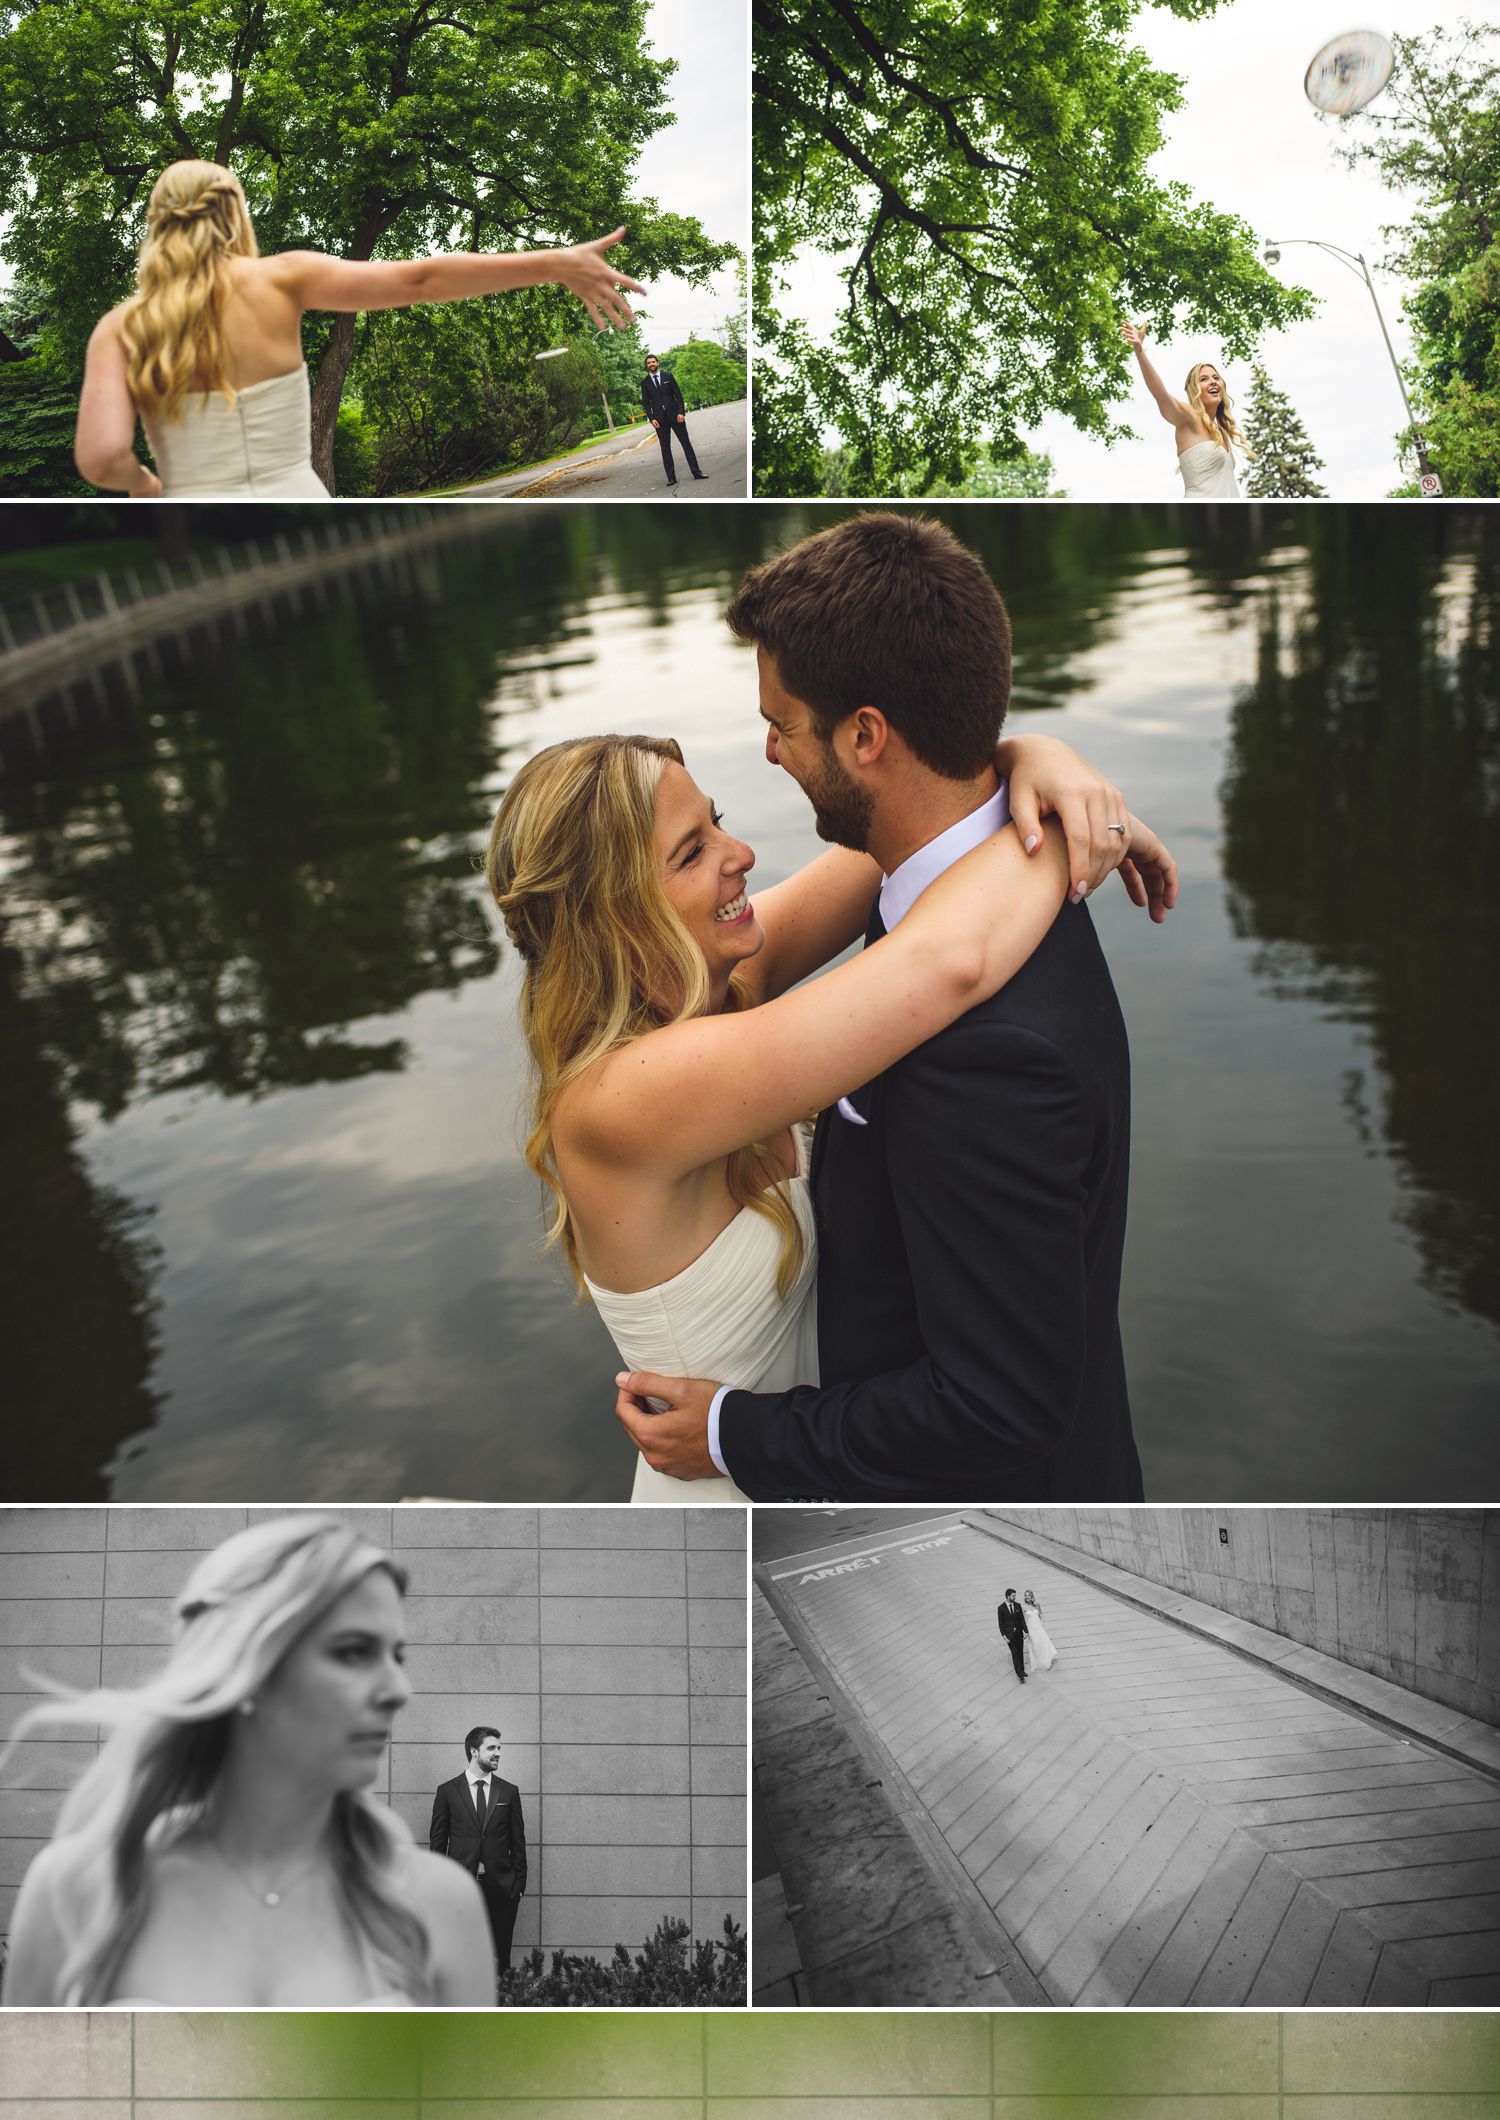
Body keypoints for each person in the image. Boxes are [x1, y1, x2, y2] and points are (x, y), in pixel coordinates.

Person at [611, 514, 1171, 1504]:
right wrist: (1028, 762)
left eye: (780, 723)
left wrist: (741, 1435)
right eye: (695, 847)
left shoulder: (990, 1043)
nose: (772, 753)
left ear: (867, 734)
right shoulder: (945, 887)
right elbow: (939, 945)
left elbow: (996, 1408)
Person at [0, 1514, 495, 2006]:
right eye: (353, 1652)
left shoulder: (440, 1905)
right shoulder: (75, 1891)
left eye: (397, 1656)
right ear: (249, 1671)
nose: (398, 1691)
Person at [73, 159, 644, 499]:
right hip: (299, 504)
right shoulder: (283, 278)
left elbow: (100, 459)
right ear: (235, 213)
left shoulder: (120, 329)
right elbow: (421, 280)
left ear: (158, 221)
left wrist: (145, 485)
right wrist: (553, 261)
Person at [429, 1725, 528, 1973]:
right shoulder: (447, 1791)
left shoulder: (509, 1791)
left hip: (502, 1890)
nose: (498, 1753)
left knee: (499, 1959)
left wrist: (518, 1888)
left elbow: (518, 1842)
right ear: (474, 1751)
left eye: (499, 1748)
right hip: (460, 1890)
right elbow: (438, 1844)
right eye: (492, 1748)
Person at [1120, 326, 1245, 498]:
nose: (1213, 382)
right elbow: (1161, 396)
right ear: (1195, 389)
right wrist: (1140, 352)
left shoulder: (1222, 432)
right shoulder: (1189, 418)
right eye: (1204, 379)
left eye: (1216, 378)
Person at [641, 354, 706, 484]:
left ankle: (697, 472)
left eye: (653, 362)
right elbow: (646, 403)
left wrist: (681, 412)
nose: (651, 364)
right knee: (665, 449)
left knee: (686, 445)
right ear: (647, 365)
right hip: (659, 421)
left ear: (658, 363)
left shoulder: (668, 376)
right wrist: (651, 418)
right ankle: (671, 478)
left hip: (676, 417)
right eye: (649, 363)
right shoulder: (645, 383)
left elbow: (678, 395)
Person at [997, 1590, 1029, 1685]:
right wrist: (1004, 1636)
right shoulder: (1001, 1608)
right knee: (1014, 1653)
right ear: (1007, 1596)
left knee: (1020, 1653)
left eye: (1015, 1596)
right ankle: (1020, 1674)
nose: (1015, 1597)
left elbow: (1022, 1620)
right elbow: (1001, 1624)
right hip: (1009, 1636)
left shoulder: (1018, 1606)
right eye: (1013, 1596)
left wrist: (1026, 1631)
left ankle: (1022, 1670)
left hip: (1019, 1634)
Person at [1021, 1590, 1057, 1671]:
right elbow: (1022, 1620)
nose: (1027, 1597)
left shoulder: (1037, 1605)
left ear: (1032, 1596)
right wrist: (1025, 1631)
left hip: (1039, 1628)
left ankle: (1046, 1662)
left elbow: (1040, 1615)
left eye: (1028, 1595)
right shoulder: (1023, 1607)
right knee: (1035, 1646)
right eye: (1025, 1595)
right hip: (1031, 1629)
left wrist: (1042, 1625)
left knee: (1043, 1644)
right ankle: (1037, 1663)